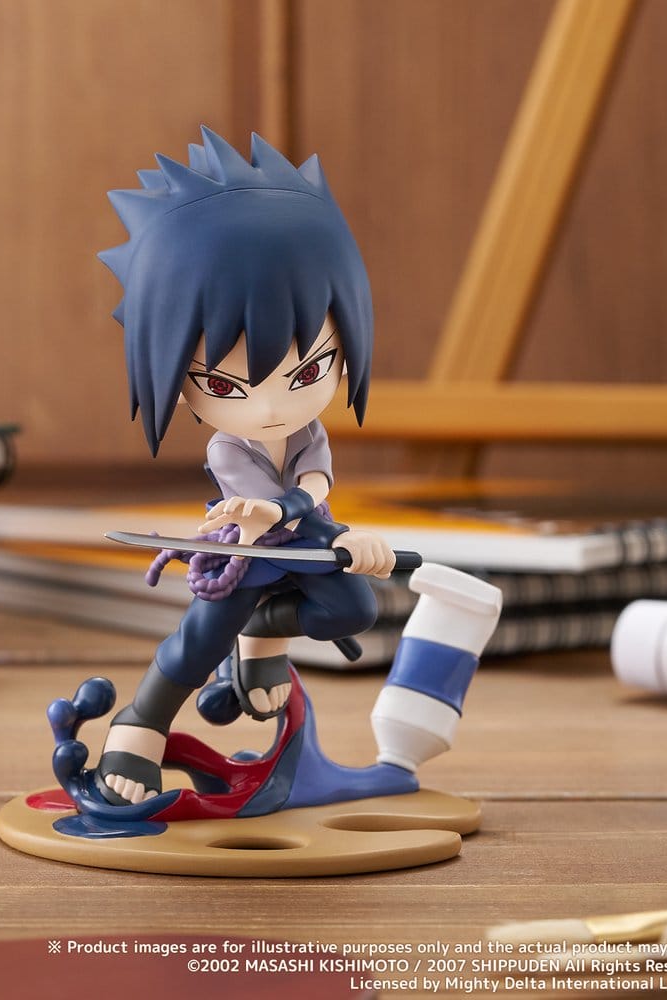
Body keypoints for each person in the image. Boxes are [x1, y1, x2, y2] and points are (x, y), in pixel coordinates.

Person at [94, 127, 395, 806]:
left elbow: (313, 484)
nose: (270, 407)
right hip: (244, 550)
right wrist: (273, 516)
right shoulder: (228, 449)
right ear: (176, 381)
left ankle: (261, 634)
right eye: (224, 385)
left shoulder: (309, 432)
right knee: (199, 642)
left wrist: (345, 538)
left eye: (309, 371)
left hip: (304, 537)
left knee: (352, 608)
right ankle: (137, 727)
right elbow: (263, 503)